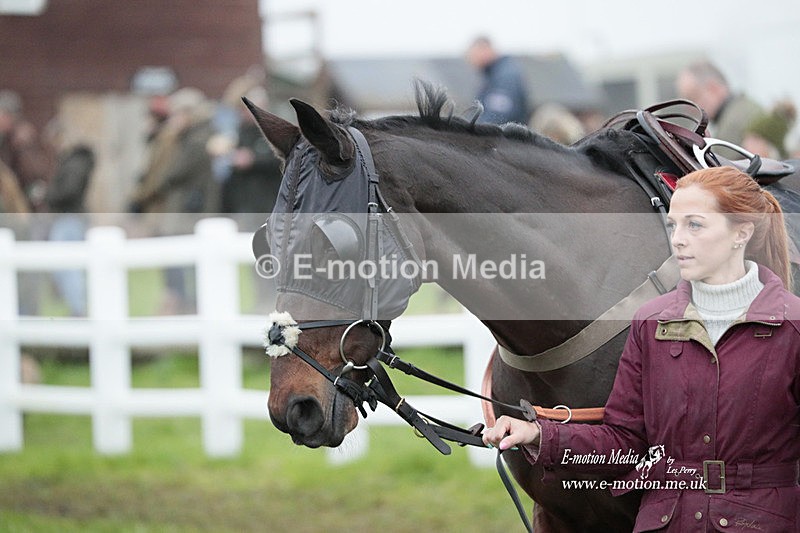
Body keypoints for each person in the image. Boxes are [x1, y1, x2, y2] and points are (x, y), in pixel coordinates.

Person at [484, 166, 799, 531]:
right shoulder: (649, 322)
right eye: (673, 226)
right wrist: (540, 435)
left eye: (694, 225)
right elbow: (624, 443)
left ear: (741, 232)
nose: (678, 240)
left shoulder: (791, 326)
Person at [676, 61, 763, 149]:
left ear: (714, 88)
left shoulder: (733, 124)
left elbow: (718, 162)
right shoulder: (744, 108)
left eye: (693, 97)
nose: (689, 108)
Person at [0, 89, 52, 212]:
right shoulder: (7, 137)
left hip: (24, 200)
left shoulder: (22, 139)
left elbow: (33, 173)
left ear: (9, 116)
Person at [466, 36, 530, 125]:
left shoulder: (505, 76)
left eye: (473, 55)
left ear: (484, 50)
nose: (471, 60)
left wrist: (473, 131)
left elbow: (497, 116)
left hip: (506, 137)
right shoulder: (493, 75)